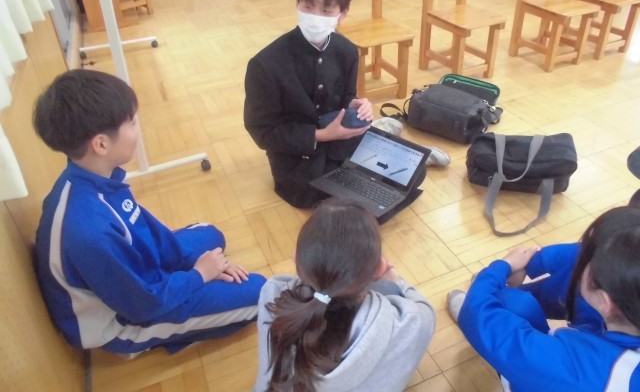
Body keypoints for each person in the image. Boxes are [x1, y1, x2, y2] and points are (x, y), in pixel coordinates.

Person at [33, 69, 266, 355]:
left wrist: (195, 263)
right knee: (261, 292)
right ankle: (170, 332)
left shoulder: (95, 175)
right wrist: (199, 275)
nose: (138, 128)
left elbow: (149, 232)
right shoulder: (89, 231)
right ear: (101, 144)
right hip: (122, 322)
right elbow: (143, 304)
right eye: (132, 122)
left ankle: (190, 285)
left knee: (210, 234)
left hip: (138, 277)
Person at [448, 206, 640, 391]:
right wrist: (530, 264)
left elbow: (479, 318)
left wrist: (499, 270)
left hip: (554, 372)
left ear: (606, 302)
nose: (582, 256)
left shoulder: (569, 368)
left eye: (588, 259)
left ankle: (481, 294)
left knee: (508, 304)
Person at [254, 198, 435, 392]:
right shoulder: (410, 322)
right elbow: (424, 310)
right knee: (390, 290)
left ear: (296, 259)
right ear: (379, 268)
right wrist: (397, 281)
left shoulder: (273, 295)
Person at [243, 0, 375, 209]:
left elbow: (345, 98)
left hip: (339, 144)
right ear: (297, 4)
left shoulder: (347, 51)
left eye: (326, 10)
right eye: (308, 7)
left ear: (342, 14)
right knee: (346, 203)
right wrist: (321, 135)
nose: (315, 17)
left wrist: (356, 104)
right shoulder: (265, 64)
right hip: (298, 160)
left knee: (403, 175)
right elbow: (262, 131)